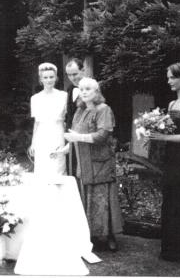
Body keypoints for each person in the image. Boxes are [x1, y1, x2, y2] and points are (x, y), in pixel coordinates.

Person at [57, 77, 123, 251]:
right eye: (82, 89)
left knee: (102, 198)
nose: (84, 92)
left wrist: (78, 138)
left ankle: (109, 236)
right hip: (83, 161)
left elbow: (103, 135)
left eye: (88, 89)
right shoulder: (80, 110)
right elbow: (74, 135)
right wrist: (64, 149)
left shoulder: (103, 109)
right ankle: (89, 235)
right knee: (85, 196)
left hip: (100, 161)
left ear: (96, 92)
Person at [148, 61, 180, 262]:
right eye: (168, 77)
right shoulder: (171, 104)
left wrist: (164, 138)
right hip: (170, 157)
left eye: (172, 77)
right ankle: (169, 249)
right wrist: (153, 129)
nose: (169, 80)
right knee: (170, 200)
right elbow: (169, 130)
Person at [28, 62, 67, 176]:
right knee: (42, 166)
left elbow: (66, 119)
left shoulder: (63, 96)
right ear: (41, 80)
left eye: (51, 77)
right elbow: (37, 123)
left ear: (56, 78)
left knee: (58, 165)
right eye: (45, 77)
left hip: (58, 133)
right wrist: (33, 143)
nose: (49, 80)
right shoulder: (35, 98)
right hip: (42, 135)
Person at [64, 58, 86, 177]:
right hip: (70, 134)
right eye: (69, 75)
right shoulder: (70, 89)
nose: (72, 78)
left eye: (75, 74)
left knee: (82, 171)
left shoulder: (91, 88)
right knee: (70, 169)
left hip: (84, 135)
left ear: (83, 70)